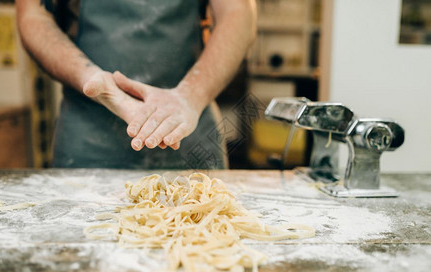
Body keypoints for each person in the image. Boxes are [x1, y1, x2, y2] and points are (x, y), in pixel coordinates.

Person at [16, 0, 256, 169]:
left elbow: (237, 11)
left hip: (189, 130)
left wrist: (192, 93)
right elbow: (34, 15)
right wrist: (87, 75)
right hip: (89, 139)